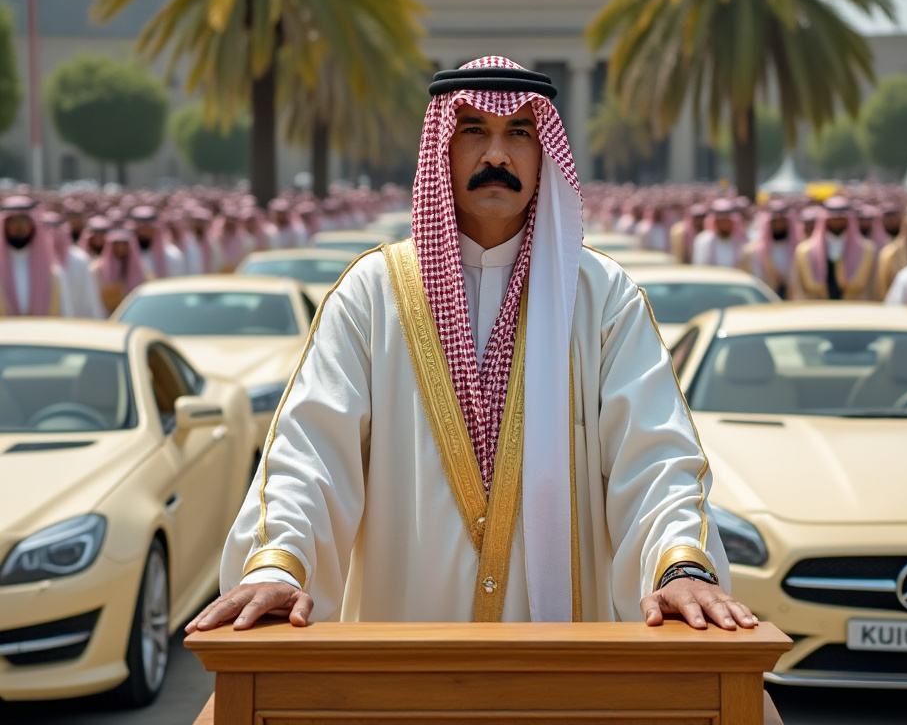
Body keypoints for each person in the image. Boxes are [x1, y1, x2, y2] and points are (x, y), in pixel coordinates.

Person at [186, 57, 754, 633]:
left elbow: (655, 456)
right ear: (441, 149)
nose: (497, 157)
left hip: (562, 667)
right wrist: (281, 563)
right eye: (473, 131)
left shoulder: (602, 298)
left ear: (545, 154)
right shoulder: (374, 295)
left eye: (520, 134)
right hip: (405, 664)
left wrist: (679, 562)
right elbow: (309, 455)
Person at [0, 196, 74, 317]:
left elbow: (65, 315)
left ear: (33, 225)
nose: (19, 226)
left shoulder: (54, 274)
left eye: (24, 220)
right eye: (13, 220)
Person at [790, 196, 876, 300]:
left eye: (841, 219)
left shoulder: (866, 249)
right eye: (833, 219)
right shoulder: (805, 250)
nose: (837, 222)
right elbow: (799, 288)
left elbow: (872, 287)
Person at [740, 202, 799, 298]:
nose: (778, 225)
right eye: (775, 221)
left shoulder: (800, 248)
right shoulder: (753, 251)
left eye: (782, 221)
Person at [691, 198, 746, 268]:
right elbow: (699, 266)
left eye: (726, 221)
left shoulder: (742, 241)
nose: (723, 225)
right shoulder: (703, 240)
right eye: (719, 221)